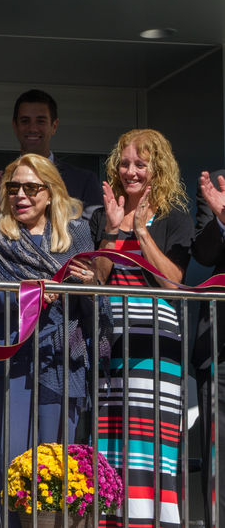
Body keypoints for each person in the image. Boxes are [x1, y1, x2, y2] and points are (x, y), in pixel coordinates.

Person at [0, 154, 107, 527]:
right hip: (8, 364)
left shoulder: (76, 233)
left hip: (61, 361)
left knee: (56, 470)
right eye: (13, 188)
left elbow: (97, 307)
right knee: (14, 469)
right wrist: (23, 295)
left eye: (31, 188)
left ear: (50, 193)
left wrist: (87, 285)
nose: (21, 195)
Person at [88, 128, 191, 528]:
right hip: (110, 340)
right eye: (125, 163)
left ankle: (153, 521)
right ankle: (112, 519)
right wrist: (114, 232)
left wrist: (142, 233)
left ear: (156, 169)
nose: (131, 171)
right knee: (110, 436)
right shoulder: (102, 215)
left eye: (140, 164)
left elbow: (174, 282)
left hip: (156, 344)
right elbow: (98, 279)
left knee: (151, 442)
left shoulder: (174, 218)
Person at [0, 89, 102, 225]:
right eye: (25, 121)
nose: (32, 128)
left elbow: (92, 234)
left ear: (54, 126)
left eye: (40, 121)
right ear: (15, 126)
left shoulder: (83, 181)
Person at [192, 168, 225, 527]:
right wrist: (222, 219)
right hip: (220, 347)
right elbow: (202, 253)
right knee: (219, 464)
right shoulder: (216, 182)